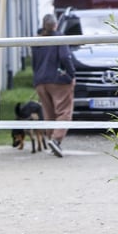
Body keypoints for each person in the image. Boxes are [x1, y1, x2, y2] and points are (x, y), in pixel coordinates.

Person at [32, 13, 75, 158]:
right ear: (55, 25)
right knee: (64, 111)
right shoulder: (59, 37)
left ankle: (50, 138)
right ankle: (56, 140)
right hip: (57, 80)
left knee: (48, 113)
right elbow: (64, 57)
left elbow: (34, 63)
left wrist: (37, 78)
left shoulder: (36, 40)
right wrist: (71, 74)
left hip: (40, 81)